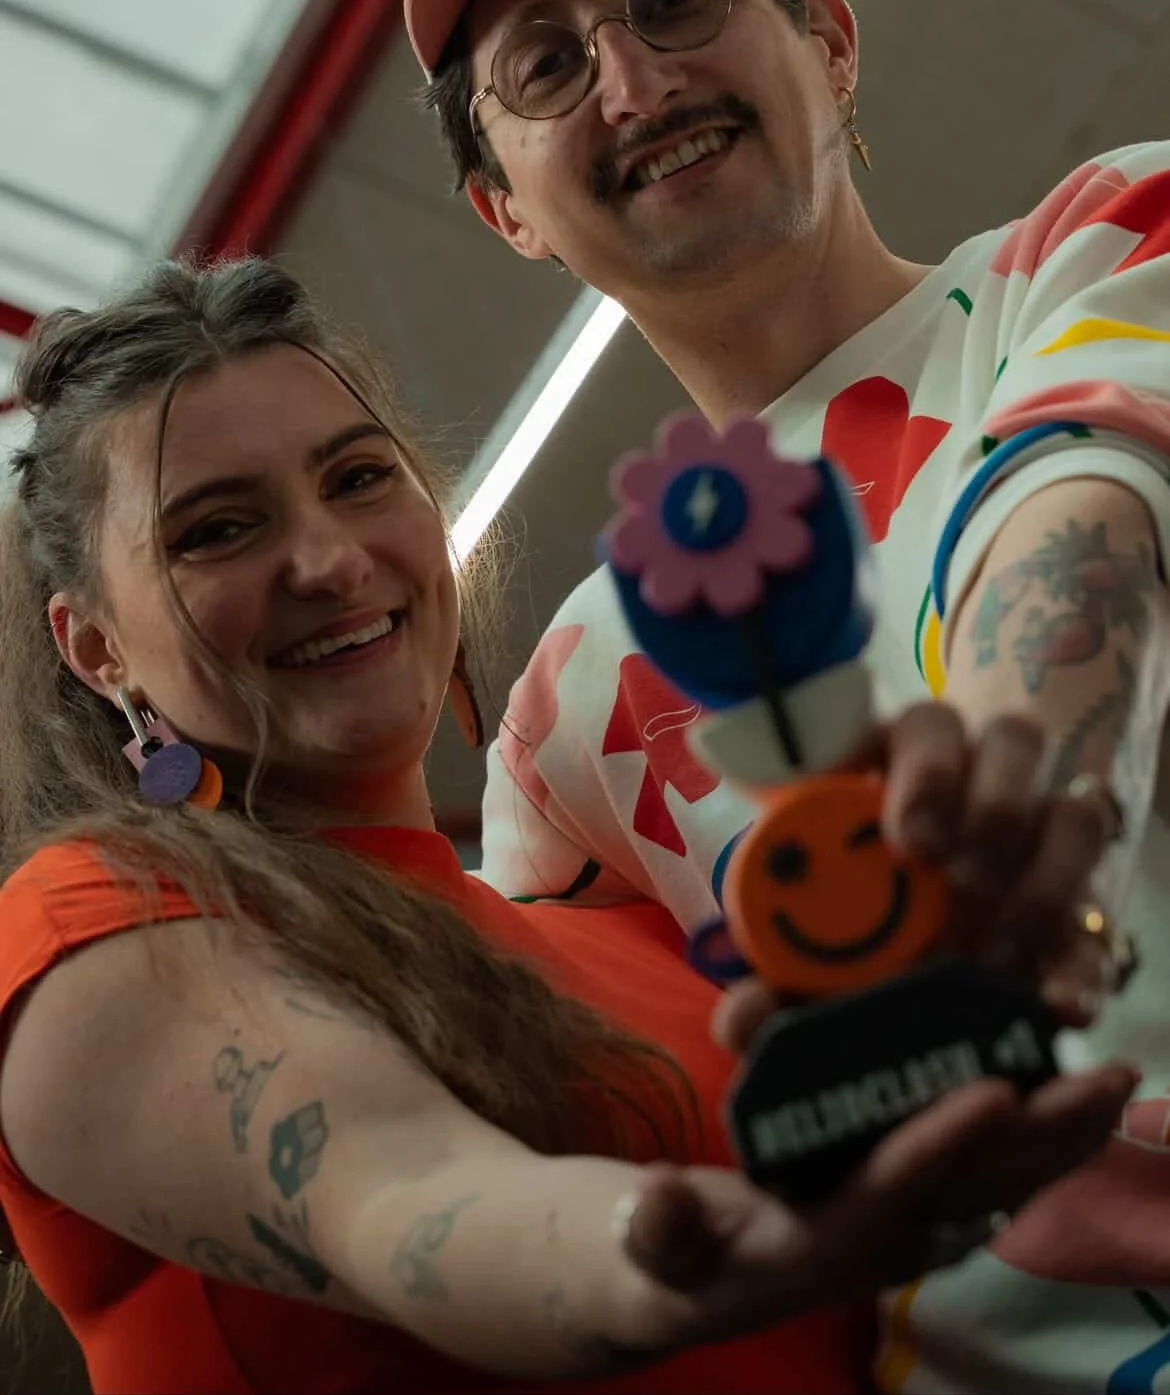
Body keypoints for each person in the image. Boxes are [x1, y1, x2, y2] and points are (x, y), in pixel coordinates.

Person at [0, 258, 1134, 1395]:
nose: (333, 561)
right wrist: (671, 1256)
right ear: (95, 646)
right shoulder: (79, 920)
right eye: (216, 530)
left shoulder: (645, 934)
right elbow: (401, 1191)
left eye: (358, 477)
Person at [406, 0, 1170, 1391]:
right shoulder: (563, 713)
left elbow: (1078, 501)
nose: (633, 83)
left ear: (824, 37)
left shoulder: (1103, 237)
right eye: (546, 66)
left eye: (675, 0)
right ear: (506, 211)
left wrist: (1018, 789)